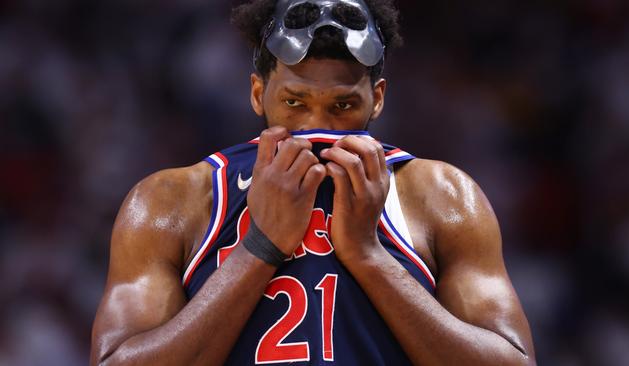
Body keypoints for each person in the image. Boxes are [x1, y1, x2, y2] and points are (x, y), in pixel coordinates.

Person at [90, 0, 536, 364]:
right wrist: (260, 247)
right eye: (294, 102)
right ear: (256, 93)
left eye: (342, 107)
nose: (315, 126)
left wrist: (368, 255)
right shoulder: (173, 200)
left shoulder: (439, 194)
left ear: (376, 100)